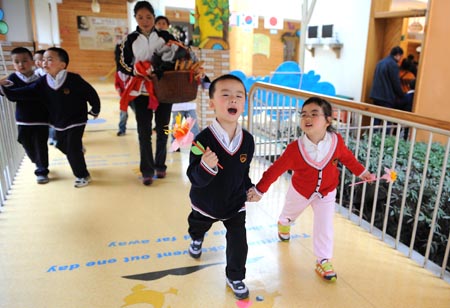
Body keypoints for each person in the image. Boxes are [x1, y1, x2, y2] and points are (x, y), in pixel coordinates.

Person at [248, 96, 374, 282]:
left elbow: (347, 158)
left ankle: (323, 260)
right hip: (300, 191)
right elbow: (275, 170)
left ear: (328, 120)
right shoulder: (294, 149)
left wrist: (362, 172)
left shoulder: (336, 141)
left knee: (324, 225)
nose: (307, 118)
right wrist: (259, 190)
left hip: (327, 192)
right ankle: (284, 222)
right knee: (289, 214)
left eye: (314, 114)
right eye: (304, 114)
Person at [186, 74, 255, 300]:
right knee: (198, 223)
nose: (233, 100)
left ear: (244, 103)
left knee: (238, 241)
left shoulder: (248, 140)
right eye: (225, 95)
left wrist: (249, 187)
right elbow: (194, 177)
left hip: (235, 202)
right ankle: (196, 238)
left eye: (239, 96)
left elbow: (243, 172)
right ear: (212, 103)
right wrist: (206, 166)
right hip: (207, 201)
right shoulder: (201, 140)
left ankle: (235, 275)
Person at [1, 47, 101, 188]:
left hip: (76, 120)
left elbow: (91, 93)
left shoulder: (74, 79)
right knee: (61, 144)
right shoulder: (42, 83)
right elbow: (22, 93)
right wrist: (3, 89)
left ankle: (82, 175)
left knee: (72, 149)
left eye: (49, 59)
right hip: (58, 122)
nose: (44, 62)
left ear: (62, 64)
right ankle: (77, 154)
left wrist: (95, 109)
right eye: (43, 60)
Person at [117, 1, 184, 185]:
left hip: (163, 89)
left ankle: (160, 166)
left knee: (163, 129)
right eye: (140, 17)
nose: (145, 21)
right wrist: (135, 70)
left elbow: (178, 55)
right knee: (143, 131)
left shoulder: (165, 36)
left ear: (154, 17)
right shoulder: (129, 39)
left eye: (148, 17)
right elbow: (121, 61)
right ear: (135, 19)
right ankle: (147, 170)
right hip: (140, 91)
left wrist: (160, 68)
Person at [1, 47, 50, 184]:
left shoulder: (41, 77)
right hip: (23, 119)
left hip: (41, 119)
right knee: (24, 142)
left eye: (25, 61)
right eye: (17, 62)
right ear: (13, 64)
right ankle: (38, 161)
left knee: (40, 145)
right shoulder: (13, 78)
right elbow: (6, 92)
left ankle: (42, 170)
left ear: (32, 61)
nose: (21, 65)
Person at [369, 46, 405, 130]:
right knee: (387, 122)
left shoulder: (380, 62)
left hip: (376, 95)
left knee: (376, 120)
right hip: (386, 97)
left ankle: (372, 139)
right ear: (398, 55)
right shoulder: (393, 65)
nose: (400, 59)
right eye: (401, 56)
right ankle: (385, 141)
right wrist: (401, 95)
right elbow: (395, 82)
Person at [34, 49, 57, 146]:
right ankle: (50, 136)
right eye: (36, 60)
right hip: (41, 102)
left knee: (54, 120)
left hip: (53, 101)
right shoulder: (36, 73)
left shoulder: (52, 72)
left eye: (42, 59)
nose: (39, 62)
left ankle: (53, 137)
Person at [114, 43, 130, 136]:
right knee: (123, 114)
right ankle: (122, 129)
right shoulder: (118, 74)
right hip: (123, 97)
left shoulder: (131, 74)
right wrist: (118, 89)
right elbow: (116, 84)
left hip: (132, 96)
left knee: (139, 114)